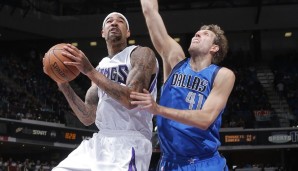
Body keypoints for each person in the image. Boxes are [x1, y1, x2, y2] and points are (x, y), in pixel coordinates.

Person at [43, 12, 159, 171]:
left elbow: (131, 100)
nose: (114, 23)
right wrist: (63, 85)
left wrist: (90, 71)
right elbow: (87, 117)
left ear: (128, 32)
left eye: (120, 21)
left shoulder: (141, 54)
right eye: (109, 21)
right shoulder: (101, 67)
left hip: (130, 141)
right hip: (100, 140)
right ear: (103, 33)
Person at [130, 0, 236, 170]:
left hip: (203, 162)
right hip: (169, 162)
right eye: (197, 33)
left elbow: (206, 119)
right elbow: (150, 11)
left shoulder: (222, 75)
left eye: (205, 34)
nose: (197, 34)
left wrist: (158, 109)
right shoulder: (175, 61)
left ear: (215, 48)